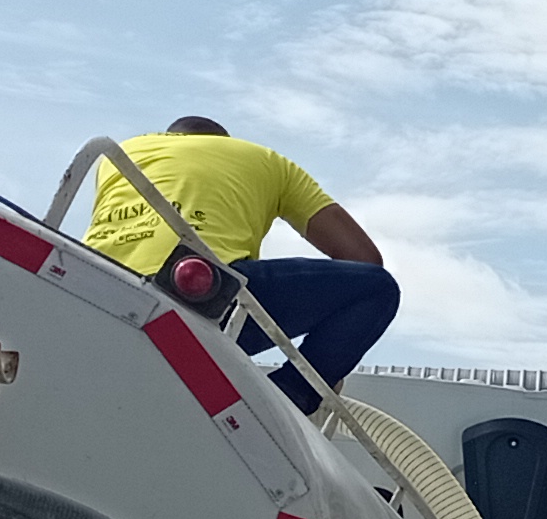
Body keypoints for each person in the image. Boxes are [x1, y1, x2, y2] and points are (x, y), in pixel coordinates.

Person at [84, 116, 397, 407]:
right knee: (377, 288)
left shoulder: (119, 153)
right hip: (202, 297)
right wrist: (328, 366)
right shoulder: (266, 160)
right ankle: (286, 397)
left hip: (93, 283)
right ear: (225, 142)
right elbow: (364, 259)